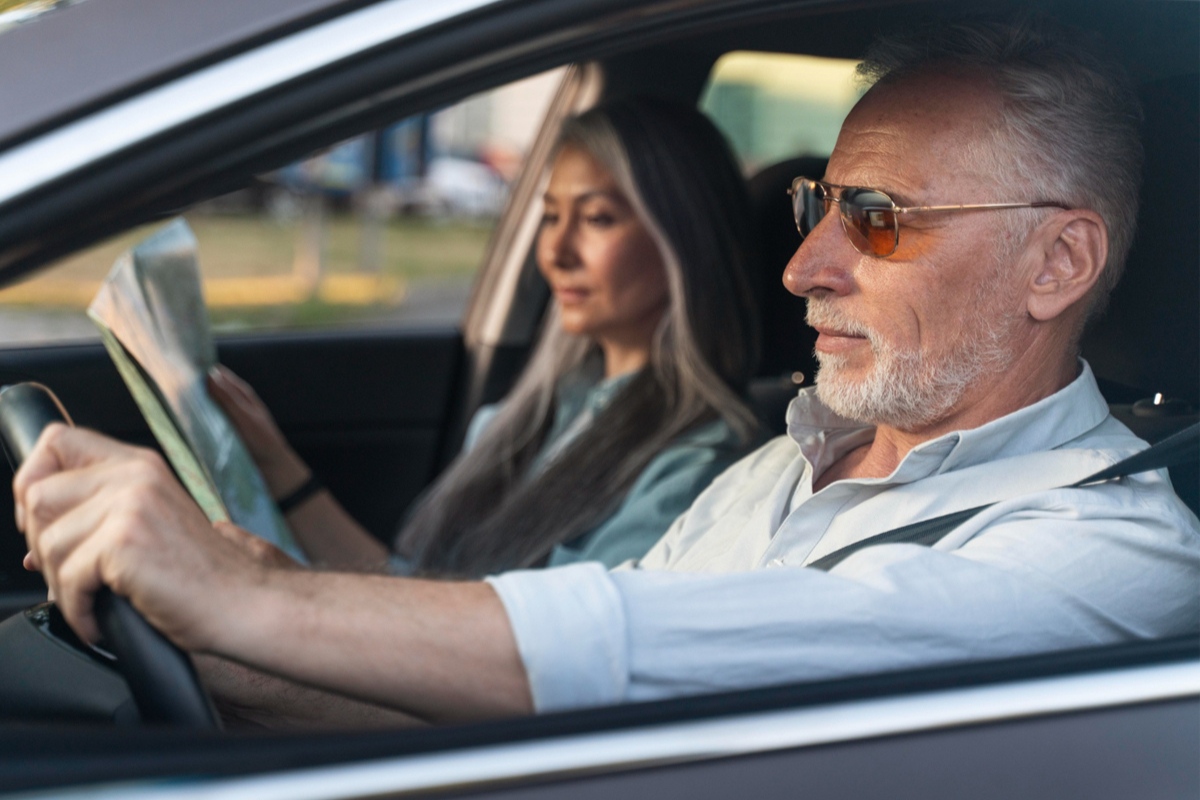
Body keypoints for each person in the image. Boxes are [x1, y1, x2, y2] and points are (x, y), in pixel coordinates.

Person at [15, 17, 1200, 725]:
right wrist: (213, 654)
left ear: (1059, 261)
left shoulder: (1116, 554)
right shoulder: (770, 471)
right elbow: (514, 693)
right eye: (817, 205)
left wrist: (252, 591)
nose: (802, 266)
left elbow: (648, 642)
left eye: (878, 218)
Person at [208, 98, 762, 577]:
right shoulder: (527, 416)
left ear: (683, 241)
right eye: (549, 217)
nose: (557, 252)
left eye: (596, 219)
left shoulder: (698, 464)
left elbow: (548, 658)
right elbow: (415, 594)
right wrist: (274, 463)